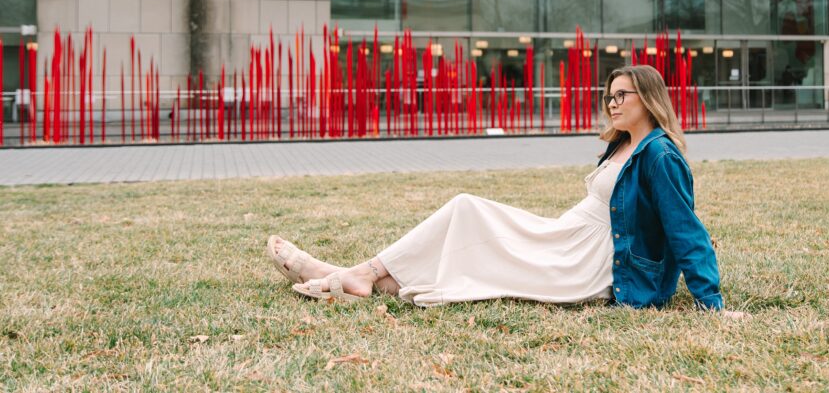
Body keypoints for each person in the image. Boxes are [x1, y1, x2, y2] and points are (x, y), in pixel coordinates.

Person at [267, 64, 740, 315]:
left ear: (649, 99)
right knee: (469, 222)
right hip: (566, 238)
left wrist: (712, 303)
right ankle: (358, 276)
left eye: (622, 95)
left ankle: (352, 274)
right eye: (609, 95)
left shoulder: (659, 155)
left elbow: (686, 230)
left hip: (589, 263)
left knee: (468, 210)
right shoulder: (623, 145)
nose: (612, 103)